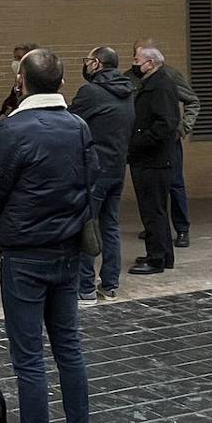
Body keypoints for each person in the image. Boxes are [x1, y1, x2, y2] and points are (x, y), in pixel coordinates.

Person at [0, 48, 96, 423]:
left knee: (29, 359)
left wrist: (7, 224)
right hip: (68, 253)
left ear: (21, 82)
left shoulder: (11, 131)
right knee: (69, 349)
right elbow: (92, 184)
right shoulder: (79, 127)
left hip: (25, 256)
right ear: (61, 82)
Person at [70, 47, 135, 304]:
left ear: (96, 64)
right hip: (117, 167)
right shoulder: (127, 90)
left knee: (88, 227)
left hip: (94, 170)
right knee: (110, 227)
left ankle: (85, 287)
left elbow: (71, 120)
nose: (85, 65)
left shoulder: (91, 92)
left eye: (87, 61)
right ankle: (109, 284)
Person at [129, 39, 200, 248]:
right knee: (149, 190)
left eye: (138, 55)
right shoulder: (131, 77)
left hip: (166, 139)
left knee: (174, 184)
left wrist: (182, 128)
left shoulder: (168, 76)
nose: (135, 59)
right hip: (143, 142)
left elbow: (192, 100)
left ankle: (181, 228)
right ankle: (155, 228)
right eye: (135, 54)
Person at [127, 47, 180, 275]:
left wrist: (139, 140)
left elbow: (165, 124)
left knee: (152, 211)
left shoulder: (160, 87)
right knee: (154, 210)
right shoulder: (153, 85)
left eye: (137, 60)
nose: (134, 64)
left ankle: (157, 258)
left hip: (153, 159)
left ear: (150, 63)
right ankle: (162, 254)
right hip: (149, 158)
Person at [0, 42, 38, 138]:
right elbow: (7, 106)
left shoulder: (34, 88)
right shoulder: (17, 86)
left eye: (19, 58)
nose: (15, 62)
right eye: (15, 58)